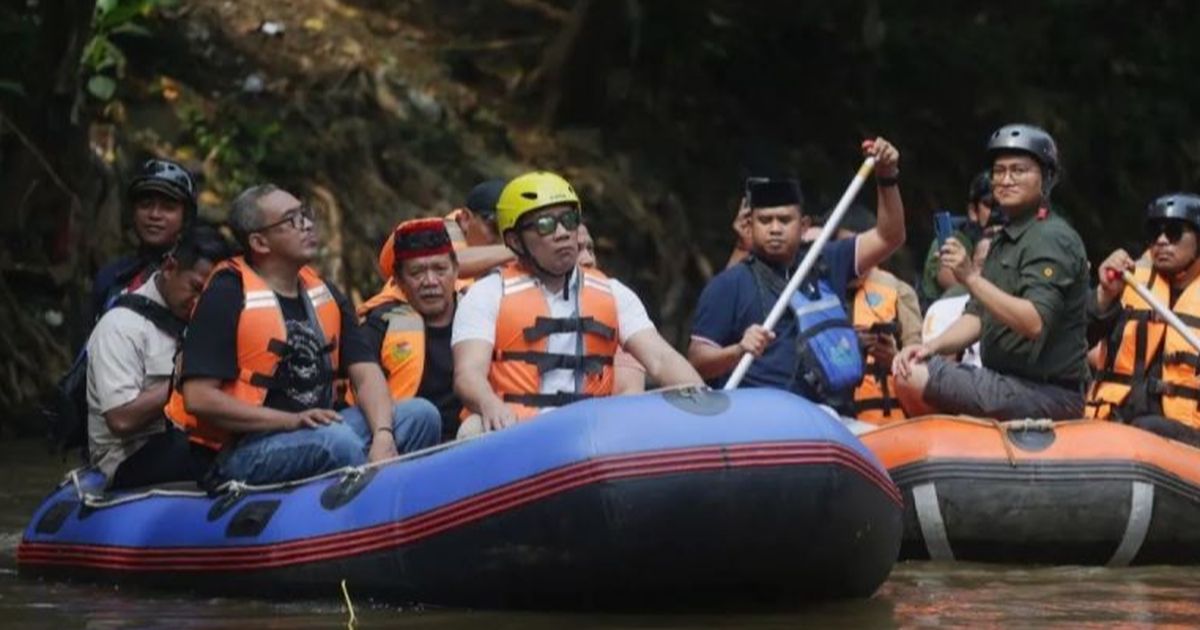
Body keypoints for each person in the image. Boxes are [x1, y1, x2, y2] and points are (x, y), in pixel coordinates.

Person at [165, 184, 440, 485]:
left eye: (305, 214)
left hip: (319, 427)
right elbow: (199, 398)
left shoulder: (325, 293)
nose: (307, 224)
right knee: (336, 441)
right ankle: (372, 510)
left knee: (420, 414)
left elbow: (365, 371)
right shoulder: (226, 294)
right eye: (292, 220)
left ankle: (399, 506)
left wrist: (383, 435)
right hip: (245, 447)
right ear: (259, 241)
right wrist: (290, 421)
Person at [452, 171, 703, 436]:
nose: (562, 233)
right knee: (473, 428)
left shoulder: (614, 293)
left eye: (569, 221)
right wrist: (490, 404)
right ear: (515, 240)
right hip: (515, 431)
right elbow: (468, 373)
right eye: (546, 225)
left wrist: (701, 396)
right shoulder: (487, 293)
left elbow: (661, 359)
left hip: (592, 433)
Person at [687, 138, 907, 416]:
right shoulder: (728, 285)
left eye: (784, 220)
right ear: (749, 225)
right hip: (761, 419)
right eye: (765, 221)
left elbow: (890, 236)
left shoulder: (828, 260)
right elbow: (696, 361)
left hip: (831, 417)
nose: (775, 229)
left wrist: (887, 177)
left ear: (803, 226)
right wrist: (737, 350)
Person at [893, 124, 1089, 420]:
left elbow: (1033, 322)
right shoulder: (1004, 239)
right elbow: (977, 317)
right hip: (1007, 383)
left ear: (1046, 178)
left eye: (1019, 171)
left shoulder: (1052, 237)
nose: (1006, 180)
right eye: (999, 171)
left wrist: (970, 277)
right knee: (911, 365)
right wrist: (929, 347)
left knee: (915, 377)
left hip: (1045, 393)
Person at [87, 225, 232, 489]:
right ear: (169, 268)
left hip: (187, 439)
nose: (199, 302)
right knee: (199, 453)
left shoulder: (204, 321)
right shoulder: (120, 326)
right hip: (128, 457)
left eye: (208, 296)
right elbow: (120, 419)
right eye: (195, 288)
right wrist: (184, 380)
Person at [1084, 193, 1200, 447]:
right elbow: (1076, 340)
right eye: (1154, 233)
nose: (1161, 241)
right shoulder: (1128, 281)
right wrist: (1105, 295)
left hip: (1186, 435)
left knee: (1147, 427)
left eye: (1174, 232)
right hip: (1113, 419)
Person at [359, 218, 464, 442]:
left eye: (440, 269)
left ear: (456, 269)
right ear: (398, 280)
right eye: (417, 273)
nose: (430, 281)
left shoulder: (479, 310)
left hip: (469, 438)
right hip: (407, 441)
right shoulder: (379, 324)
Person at [828, 205, 922, 424]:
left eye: (864, 251)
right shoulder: (817, 293)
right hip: (834, 420)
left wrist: (894, 359)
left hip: (887, 423)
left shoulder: (899, 291)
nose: (857, 261)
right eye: (849, 252)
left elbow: (919, 361)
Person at [92, 159, 196, 321]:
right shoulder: (110, 276)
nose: (154, 215)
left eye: (168, 208)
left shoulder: (195, 281)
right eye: (146, 205)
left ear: (186, 218)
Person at [375, 179, 516, 288]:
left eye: (510, 232)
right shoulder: (428, 232)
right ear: (465, 218)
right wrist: (515, 250)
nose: (501, 239)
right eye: (495, 227)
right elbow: (453, 262)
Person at [577, 223, 646, 394]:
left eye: (590, 249)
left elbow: (629, 394)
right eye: (576, 250)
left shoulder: (614, 300)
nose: (588, 260)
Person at [918, 171, 996, 309]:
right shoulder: (952, 240)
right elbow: (953, 284)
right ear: (973, 211)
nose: (997, 212)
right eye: (990, 205)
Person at [921, 235, 992, 368]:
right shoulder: (941, 310)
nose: (989, 271)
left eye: (997, 264)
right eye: (982, 264)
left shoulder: (1022, 310)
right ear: (970, 264)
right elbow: (935, 370)